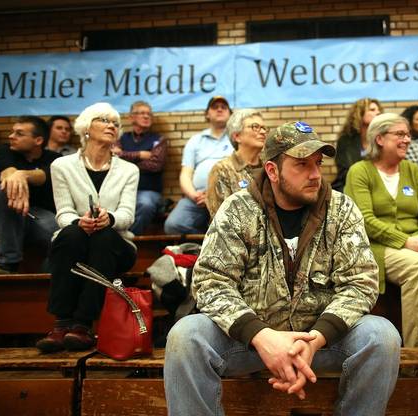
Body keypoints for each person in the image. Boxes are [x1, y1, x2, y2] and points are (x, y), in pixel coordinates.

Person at [164, 121, 401, 416]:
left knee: (382, 336)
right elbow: (211, 282)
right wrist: (261, 337)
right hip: (249, 343)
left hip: (319, 342)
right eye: (301, 165)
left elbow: (360, 283)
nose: (315, 174)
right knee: (186, 336)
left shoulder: (341, 210)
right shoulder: (238, 209)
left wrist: (315, 341)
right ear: (273, 171)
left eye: (318, 163)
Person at [36, 102, 139, 353]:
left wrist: (109, 219)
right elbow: (63, 214)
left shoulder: (129, 170)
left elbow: (127, 215)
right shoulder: (61, 166)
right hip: (77, 241)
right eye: (103, 120)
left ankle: (82, 324)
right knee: (70, 234)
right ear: (86, 128)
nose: (111, 126)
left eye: (115, 122)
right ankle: (62, 325)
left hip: (118, 245)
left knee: (102, 236)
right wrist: (79, 222)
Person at [344, 113, 418, 348]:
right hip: (379, 247)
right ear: (380, 139)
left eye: (408, 134)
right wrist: (405, 241)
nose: (407, 139)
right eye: (400, 134)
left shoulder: (412, 170)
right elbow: (364, 219)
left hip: (417, 242)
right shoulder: (359, 171)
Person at [0, 116, 59, 274]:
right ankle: (8, 263)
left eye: (19, 134)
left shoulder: (55, 159)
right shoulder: (5, 151)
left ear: (38, 140)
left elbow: (44, 176)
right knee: (3, 189)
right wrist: (18, 183)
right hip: (9, 215)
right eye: (12, 132)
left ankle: (49, 272)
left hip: (42, 215)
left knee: (62, 237)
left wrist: (23, 175)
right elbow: (7, 173)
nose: (11, 136)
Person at [164, 96, 232, 234]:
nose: (219, 109)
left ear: (230, 114)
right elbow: (185, 174)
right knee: (172, 225)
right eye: (215, 107)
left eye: (223, 107)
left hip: (228, 196)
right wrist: (194, 195)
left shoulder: (236, 138)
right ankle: (207, 242)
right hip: (197, 197)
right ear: (207, 114)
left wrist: (214, 195)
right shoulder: (195, 140)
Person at [114, 101, 167, 235]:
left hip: (148, 190)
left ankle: (128, 238)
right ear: (131, 117)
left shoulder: (159, 139)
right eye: (142, 113)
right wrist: (140, 154)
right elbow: (114, 160)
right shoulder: (120, 138)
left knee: (146, 205)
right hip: (121, 189)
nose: (146, 116)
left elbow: (155, 165)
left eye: (149, 114)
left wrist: (125, 159)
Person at [206, 108, 266, 218]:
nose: (263, 132)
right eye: (255, 127)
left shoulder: (269, 167)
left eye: (263, 128)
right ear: (237, 136)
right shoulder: (222, 170)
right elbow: (220, 218)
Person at [331, 98, 383, 192]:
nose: (378, 112)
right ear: (360, 114)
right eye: (372, 110)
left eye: (378, 110)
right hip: (350, 184)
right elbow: (344, 172)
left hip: (379, 185)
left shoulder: (383, 138)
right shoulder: (346, 140)